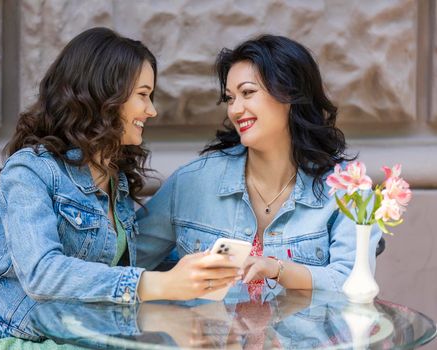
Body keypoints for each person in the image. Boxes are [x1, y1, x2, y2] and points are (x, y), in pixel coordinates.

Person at [0, 27, 241, 345]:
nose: (152, 110)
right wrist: (158, 284)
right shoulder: (31, 168)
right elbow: (42, 274)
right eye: (142, 94)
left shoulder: (114, 182)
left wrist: (204, 267)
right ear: (105, 95)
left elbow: (117, 267)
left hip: (64, 338)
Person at [136, 34, 381, 293]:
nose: (235, 109)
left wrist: (278, 270)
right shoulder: (192, 183)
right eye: (230, 98)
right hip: (209, 333)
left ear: (289, 94)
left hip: (304, 334)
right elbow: (126, 263)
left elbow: (352, 283)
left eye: (248, 93)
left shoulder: (347, 190)